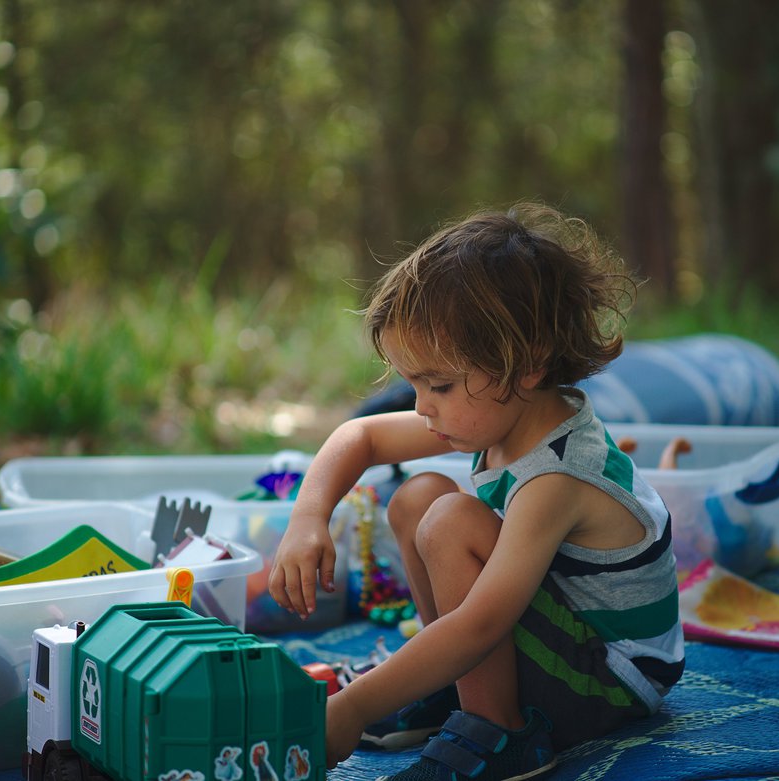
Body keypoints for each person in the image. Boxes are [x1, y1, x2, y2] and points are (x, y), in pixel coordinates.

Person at [269, 203, 685, 781]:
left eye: (438, 384)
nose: (421, 407)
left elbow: (481, 625)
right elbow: (360, 435)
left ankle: (499, 733)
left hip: (610, 679)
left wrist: (352, 707)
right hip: (564, 638)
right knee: (419, 498)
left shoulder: (557, 476)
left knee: (450, 521)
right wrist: (308, 518)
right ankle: (455, 687)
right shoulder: (507, 413)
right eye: (411, 383)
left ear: (528, 366)